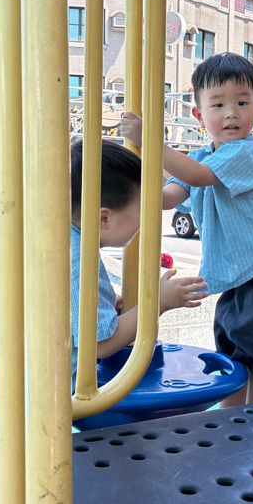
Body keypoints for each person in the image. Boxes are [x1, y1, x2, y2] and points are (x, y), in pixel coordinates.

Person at [120, 52, 253, 405]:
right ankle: (227, 427)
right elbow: (168, 198)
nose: (231, 113)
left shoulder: (243, 153)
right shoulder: (202, 157)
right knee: (233, 362)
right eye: (218, 104)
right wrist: (132, 173)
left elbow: (196, 177)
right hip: (238, 277)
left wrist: (150, 140)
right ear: (199, 115)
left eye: (242, 103)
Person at [70, 138, 207, 390]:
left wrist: (103, 304)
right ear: (104, 217)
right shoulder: (79, 261)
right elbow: (101, 343)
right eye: (141, 209)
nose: (146, 219)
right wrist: (157, 302)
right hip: (53, 400)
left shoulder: (60, 244)